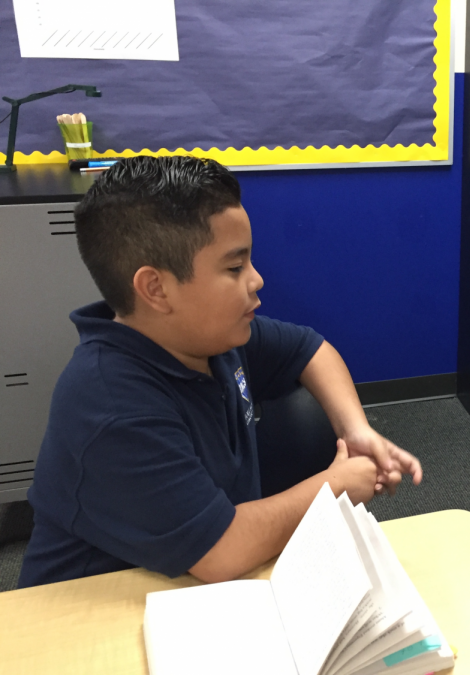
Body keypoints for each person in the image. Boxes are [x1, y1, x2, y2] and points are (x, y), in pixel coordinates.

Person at [18, 156, 422, 588]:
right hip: (97, 614)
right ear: (156, 289)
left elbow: (311, 349)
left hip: (194, 589)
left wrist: (356, 429)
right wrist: (334, 488)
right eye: (235, 267)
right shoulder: (110, 404)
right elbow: (220, 551)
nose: (257, 279)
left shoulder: (212, 337)